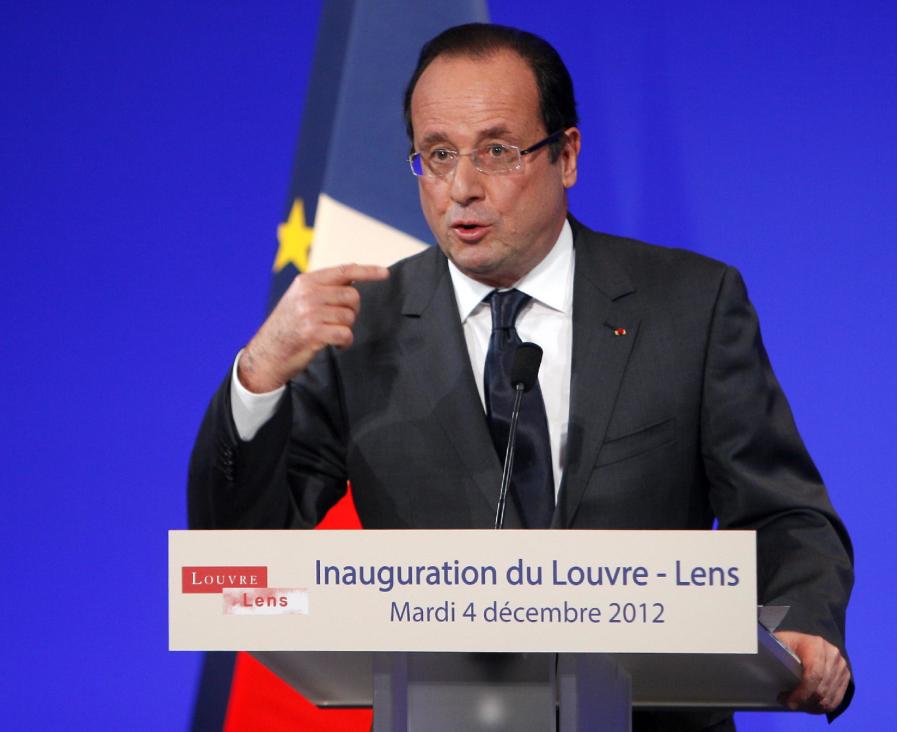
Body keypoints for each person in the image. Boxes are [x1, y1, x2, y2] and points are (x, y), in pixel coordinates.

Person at [189, 23, 853, 730]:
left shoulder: (689, 305)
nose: (462, 189)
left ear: (566, 154)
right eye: (437, 155)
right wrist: (257, 377)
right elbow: (241, 560)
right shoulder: (359, 328)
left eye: (497, 152)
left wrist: (807, 623)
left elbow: (785, 511)